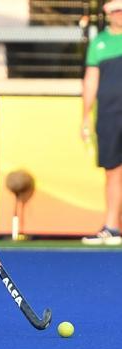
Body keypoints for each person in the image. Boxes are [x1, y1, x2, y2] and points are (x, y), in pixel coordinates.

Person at [81, 0, 122, 246]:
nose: (119, 15)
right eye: (116, 11)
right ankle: (112, 227)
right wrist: (85, 115)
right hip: (108, 114)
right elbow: (90, 81)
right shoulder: (99, 43)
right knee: (113, 170)